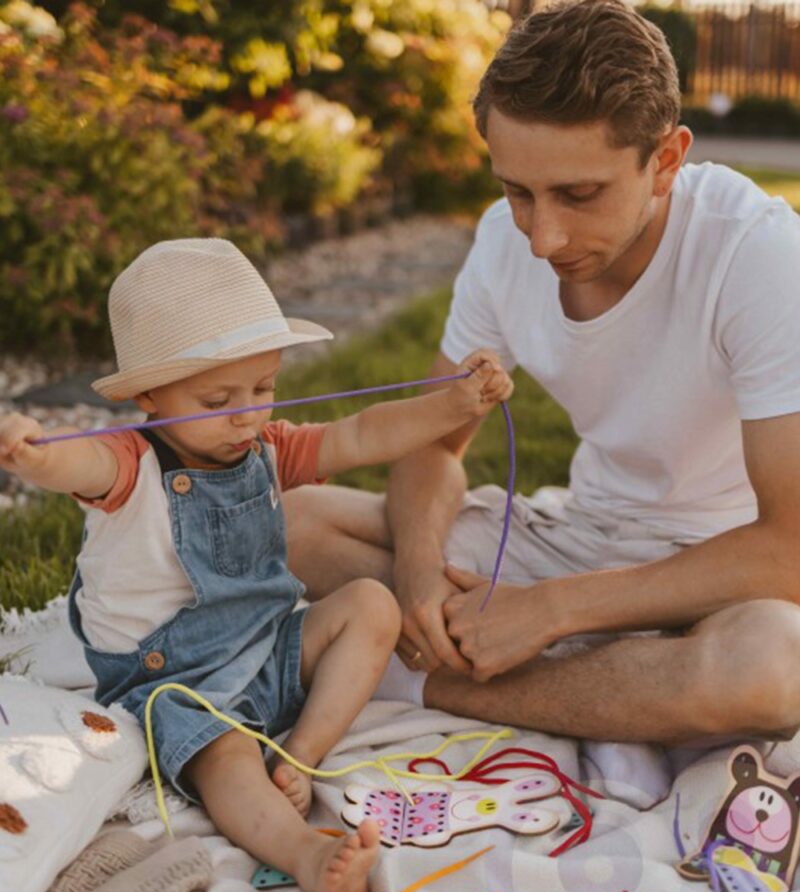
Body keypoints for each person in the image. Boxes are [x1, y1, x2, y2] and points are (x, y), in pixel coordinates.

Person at [281, 0, 800, 795]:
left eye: (579, 194)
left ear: (666, 160)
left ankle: (424, 680)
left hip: (721, 574)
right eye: (518, 191)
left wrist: (553, 611)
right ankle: (596, 686)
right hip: (582, 531)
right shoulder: (502, 241)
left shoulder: (756, 255)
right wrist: (419, 575)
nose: (542, 237)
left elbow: (788, 548)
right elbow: (432, 439)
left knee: (768, 671)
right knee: (283, 521)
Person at [0, 237, 513, 892]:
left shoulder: (266, 448)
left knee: (371, 604)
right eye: (219, 398)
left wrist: (453, 407)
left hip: (270, 646)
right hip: (174, 684)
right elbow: (82, 465)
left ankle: (301, 753)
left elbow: (362, 434)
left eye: (264, 388)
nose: (248, 413)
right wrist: (36, 460)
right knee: (226, 762)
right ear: (150, 395)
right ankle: (308, 855)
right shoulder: (130, 464)